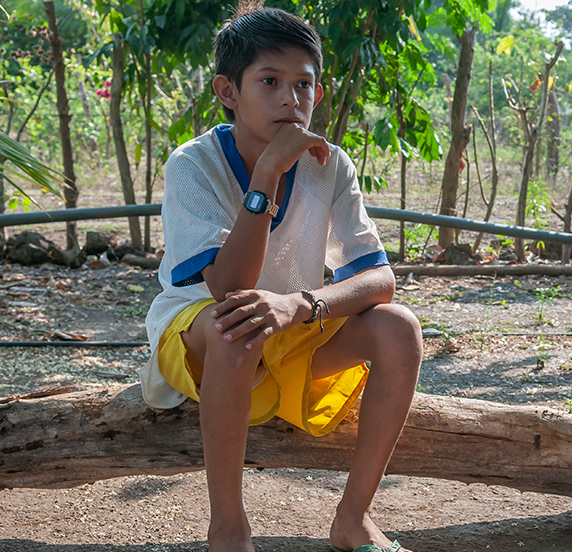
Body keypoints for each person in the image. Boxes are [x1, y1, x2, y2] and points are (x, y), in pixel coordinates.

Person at [140, 4, 422, 552]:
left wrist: (301, 304)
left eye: (304, 85)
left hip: (289, 331)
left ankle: (353, 519)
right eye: (269, 81)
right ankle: (228, 528)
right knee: (235, 322)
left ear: (321, 91)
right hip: (204, 338)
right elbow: (228, 285)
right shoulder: (192, 165)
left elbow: (379, 280)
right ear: (228, 91)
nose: (291, 99)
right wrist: (267, 172)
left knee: (399, 328)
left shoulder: (330, 164)